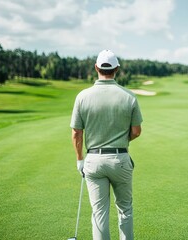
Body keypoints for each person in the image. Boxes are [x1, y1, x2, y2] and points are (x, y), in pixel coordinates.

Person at [70, 50, 143, 240]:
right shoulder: (129, 96)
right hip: (120, 159)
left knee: (99, 212)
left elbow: (76, 133)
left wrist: (80, 160)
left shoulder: (82, 96)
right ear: (117, 69)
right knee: (125, 209)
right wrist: (119, 141)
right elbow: (136, 131)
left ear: (96, 68)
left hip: (93, 161)